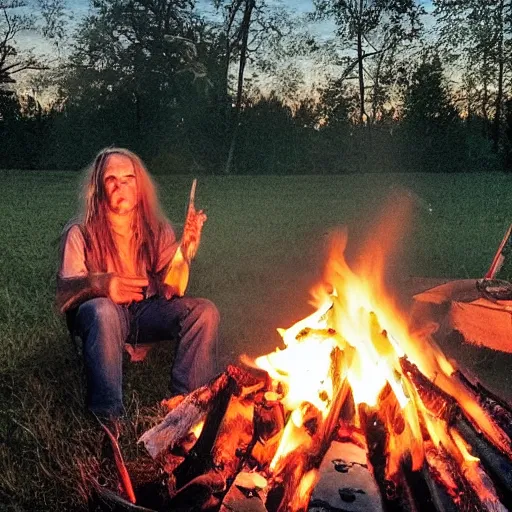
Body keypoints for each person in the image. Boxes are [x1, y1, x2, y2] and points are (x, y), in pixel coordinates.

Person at [56, 147, 219, 420]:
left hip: (146, 309)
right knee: (102, 311)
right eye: (111, 179)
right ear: (98, 187)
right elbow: (64, 294)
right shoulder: (80, 231)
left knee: (205, 312)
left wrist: (185, 250)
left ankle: (189, 407)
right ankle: (108, 418)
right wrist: (102, 286)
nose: (121, 186)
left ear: (139, 184)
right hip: (105, 317)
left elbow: (172, 289)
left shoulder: (155, 227)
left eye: (128, 178)